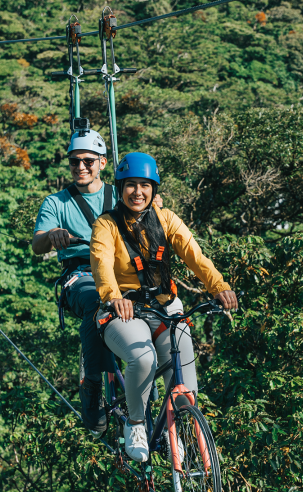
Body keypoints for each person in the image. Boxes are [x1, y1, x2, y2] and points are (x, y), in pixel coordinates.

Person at [90, 152, 238, 462]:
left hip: (164, 306)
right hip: (123, 310)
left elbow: (194, 255)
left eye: (145, 186)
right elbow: (101, 262)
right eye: (131, 185)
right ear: (120, 188)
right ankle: (135, 423)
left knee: (185, 384)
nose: (138, 192)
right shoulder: (107, 224)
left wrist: (219, 286)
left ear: (154, 190)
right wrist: (113, 295)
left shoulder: (166, 219)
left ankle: (176, 430)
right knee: (142, 359)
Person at [32, 128, 159, 439]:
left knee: (155, 301)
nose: (80, 167)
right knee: (95, 301)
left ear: (102, 163)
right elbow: (37, 245)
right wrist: (52, 236)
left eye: (88, 161)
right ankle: (92, 383)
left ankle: (148, 377)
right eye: (75, 162)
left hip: (124, 271)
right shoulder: (57, 202)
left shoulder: (121, 195)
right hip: (81, 275)